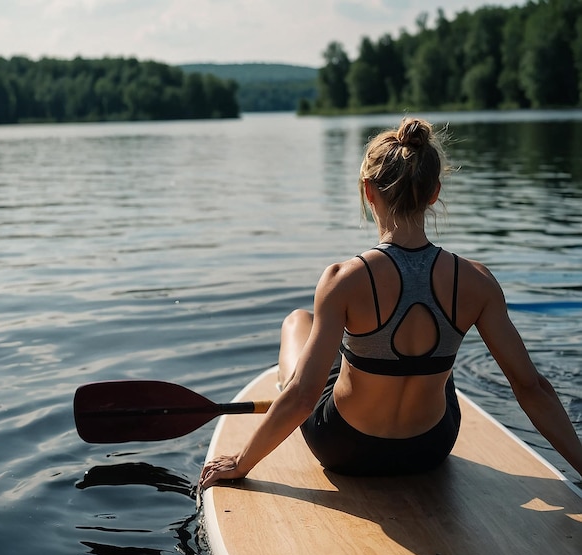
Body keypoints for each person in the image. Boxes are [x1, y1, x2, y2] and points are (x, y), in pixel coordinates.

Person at [200, 117, 582, 488]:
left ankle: (287, 377)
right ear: (434, 193)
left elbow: (303, 398)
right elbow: (531, 388)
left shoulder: (343, 279)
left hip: (344, 448)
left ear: (369, 191)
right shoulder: (477, 281)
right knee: (438, 367)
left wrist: (241, 462)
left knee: (299, 321)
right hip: (430, 448)